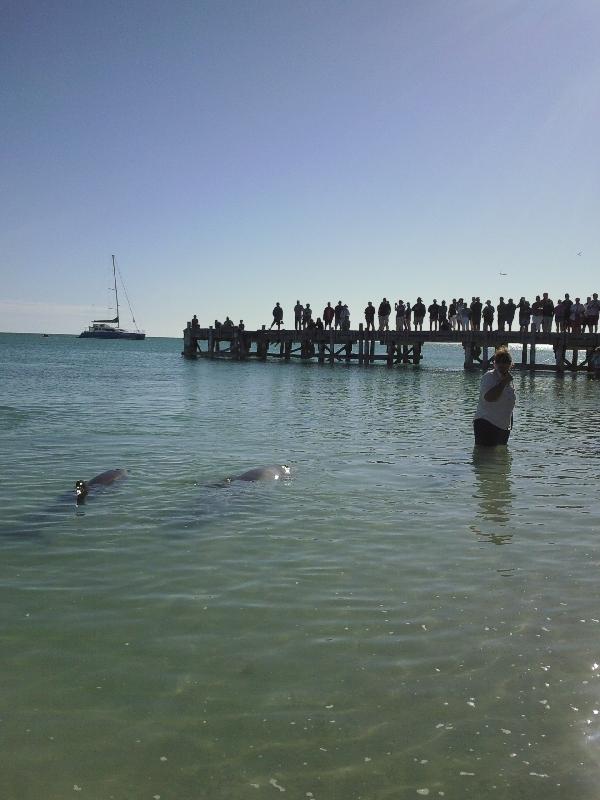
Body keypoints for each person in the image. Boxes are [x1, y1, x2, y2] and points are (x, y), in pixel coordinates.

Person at [473, 347, 515, 446]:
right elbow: (489, 398)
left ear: (510, 364)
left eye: (505, 361)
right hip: (486, 423)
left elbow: (509, 405)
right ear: (494, 363)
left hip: (503, 427)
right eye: (498, 361)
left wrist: (509, 426)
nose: (502, 364)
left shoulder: (509, 380)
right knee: (485, 458)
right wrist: (504, 382)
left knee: (500, 460)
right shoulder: (489, 377)